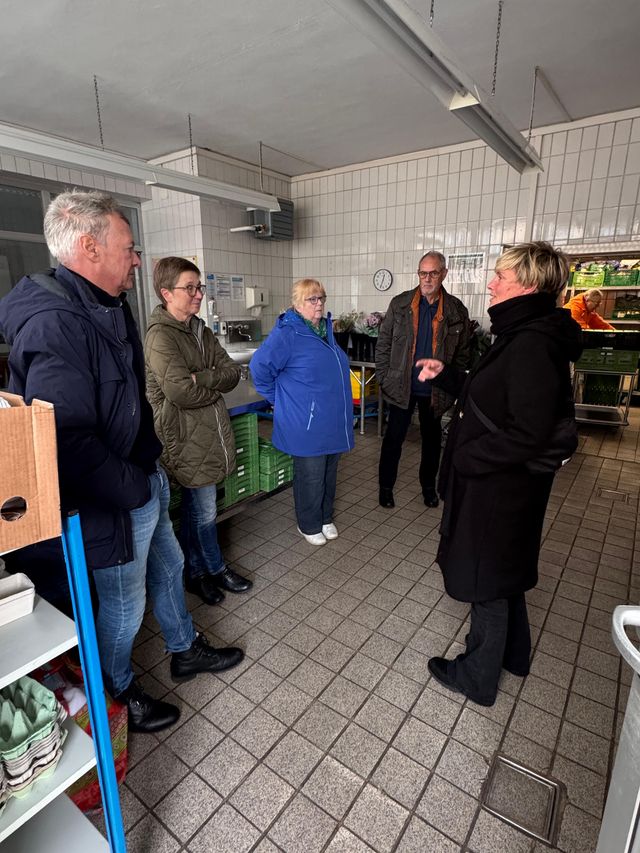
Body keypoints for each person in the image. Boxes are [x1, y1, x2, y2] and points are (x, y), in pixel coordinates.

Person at [0, 191, 243, 734]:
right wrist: (134, 487)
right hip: (111, 497)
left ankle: (183, 649)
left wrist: (149, 470)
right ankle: (119, 693)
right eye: (129, 248)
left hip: (141, 476)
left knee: (171, 567)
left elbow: (126, 400)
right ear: (90, 247)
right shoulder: (56, 323)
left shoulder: (104, 307)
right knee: (124, 606)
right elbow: (65, 438)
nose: (137, 260)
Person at [416, 241, 582, 707]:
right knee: (505, 569)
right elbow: (493, 397)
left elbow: (527, 433)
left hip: (499, 489)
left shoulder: (531, 343)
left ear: (527, 285)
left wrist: (469, 459)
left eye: (501, 277)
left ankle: (477, 675)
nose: (491, 284)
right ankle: (514, 654)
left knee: (487, 577)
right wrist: (447, 374)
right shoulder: (526, 334)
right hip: (509, 489)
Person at [144, 256, 252, 605]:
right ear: (166, 293)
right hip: (184, 436)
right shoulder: (161, 337)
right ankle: (207, 570)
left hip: (206, 433)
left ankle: (202, 571)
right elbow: (179, 392)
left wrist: (201, 377)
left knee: (200, 509)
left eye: (199, 287)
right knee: (202, 510)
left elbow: (231, 372)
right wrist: (207, 383)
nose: (198, 294)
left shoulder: (200, 331)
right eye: (189, 288)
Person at [250, 279, 354, 545]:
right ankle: (308, 524)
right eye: (312, 299)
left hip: (331, 418)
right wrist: (283, 401)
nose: (318, 304)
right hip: (307, 421)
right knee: (311, 474)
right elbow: (259, 370)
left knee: (329, 471)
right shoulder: (288, 333)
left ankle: (325, 516)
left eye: (321, 298)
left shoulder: (324, 330)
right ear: (297, 303)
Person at [375, 251, 471, 509]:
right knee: (393, 440)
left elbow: (462, 355)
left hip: (435, 391)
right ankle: (386, 488)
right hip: (401, 387)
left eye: (433, 273)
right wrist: (384, 377)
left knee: (431, 444)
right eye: (422, 273)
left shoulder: (456, 310)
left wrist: (452, 385)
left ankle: (428, 488)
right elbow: (383, 343)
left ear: (444, 274)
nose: (427, 278)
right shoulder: (400, 304)